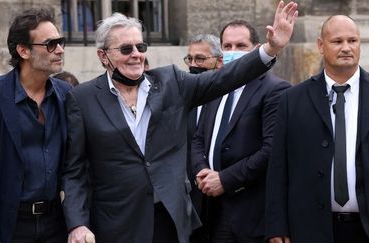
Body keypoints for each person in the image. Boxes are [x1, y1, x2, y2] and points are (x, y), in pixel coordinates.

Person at [62, 1, 298, 243]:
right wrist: (77, 224)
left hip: (171, 221)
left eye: (140, 46)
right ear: (103, 55)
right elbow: (75, 171)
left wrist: (270, 48)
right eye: (125, 49)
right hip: (116, 223)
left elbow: (224, 79)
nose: (136, 55)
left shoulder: (171, 83)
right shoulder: (82, 98)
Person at [0, 8, 70, 243]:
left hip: (56, 225)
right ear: (23, 50)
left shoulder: (66, 95)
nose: (59, 50)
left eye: (60, 42)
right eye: (50, 44)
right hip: (8, 227)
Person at [265, 15, 369, 243]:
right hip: (310, 228)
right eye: (337, 41)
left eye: (352, 40)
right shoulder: (292, 100)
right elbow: (278, 167)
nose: (346, 48)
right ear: (321, 46)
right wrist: (276, 225)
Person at [191, 20, 291, 243]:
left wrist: (224, 179)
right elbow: (198, 137)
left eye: (240, 46)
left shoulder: (275, 90)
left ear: (256, 49)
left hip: (249, 211)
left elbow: (271, 150)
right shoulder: (215, 86)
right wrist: (202, 171)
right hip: (208, 207)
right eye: (227, 47)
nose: (233, 52)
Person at [183, 33, 223, 243]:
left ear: (218, 62)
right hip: (188, 199)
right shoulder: (181, 94)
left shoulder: (227, 96)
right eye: (190, 59)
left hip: (222, 198)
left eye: (200, 59)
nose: (193, 65)